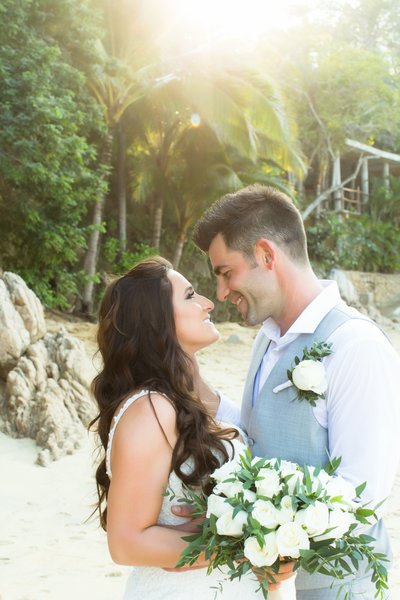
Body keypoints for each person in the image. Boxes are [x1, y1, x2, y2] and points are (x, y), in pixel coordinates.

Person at [187, 184, 400, 599]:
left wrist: (249, 532)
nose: (222, 293)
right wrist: (198, 389)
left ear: (266, 255)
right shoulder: (267, 338)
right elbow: (258, 437)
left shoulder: (356, 345)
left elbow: (363, 494)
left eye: (226, 273)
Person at [90, 256, 293, 599]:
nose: (208, 302)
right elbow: (125, 543)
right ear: (157, 322)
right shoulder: (151, 409)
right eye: (190, 296)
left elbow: (246, 429)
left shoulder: (185, 401)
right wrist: (243, 545)